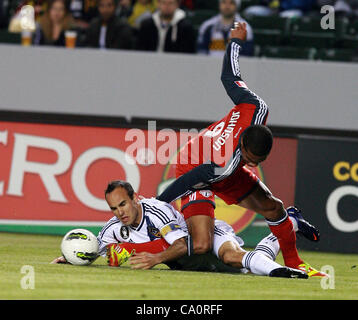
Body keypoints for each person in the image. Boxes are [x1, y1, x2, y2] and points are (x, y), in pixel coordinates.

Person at [156, 22, 326, 277]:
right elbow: (190, 179)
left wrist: (236, 42)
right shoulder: (225, 162)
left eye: (259, 161)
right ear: (243, 145)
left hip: (223, 169)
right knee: (201, 244)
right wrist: (157, 204)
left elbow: (230, 77)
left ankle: (294, 260)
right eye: (250, 159)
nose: (254, 165)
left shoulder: (257, 107)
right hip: (195, 165)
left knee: (273, 207)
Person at [52, 180, 309, 278]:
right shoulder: (113, 228)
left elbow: (181, 243)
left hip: (205, 236)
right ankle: (292, 222)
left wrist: (155, 259)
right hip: (191, 263)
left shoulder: (156, 211)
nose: (120, 213)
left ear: (135, 199)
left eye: (123, 204)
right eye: (114, 208)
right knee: (244, 271)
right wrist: (73, 256)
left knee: (234, 259)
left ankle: (290, 246)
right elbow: (96, 247)